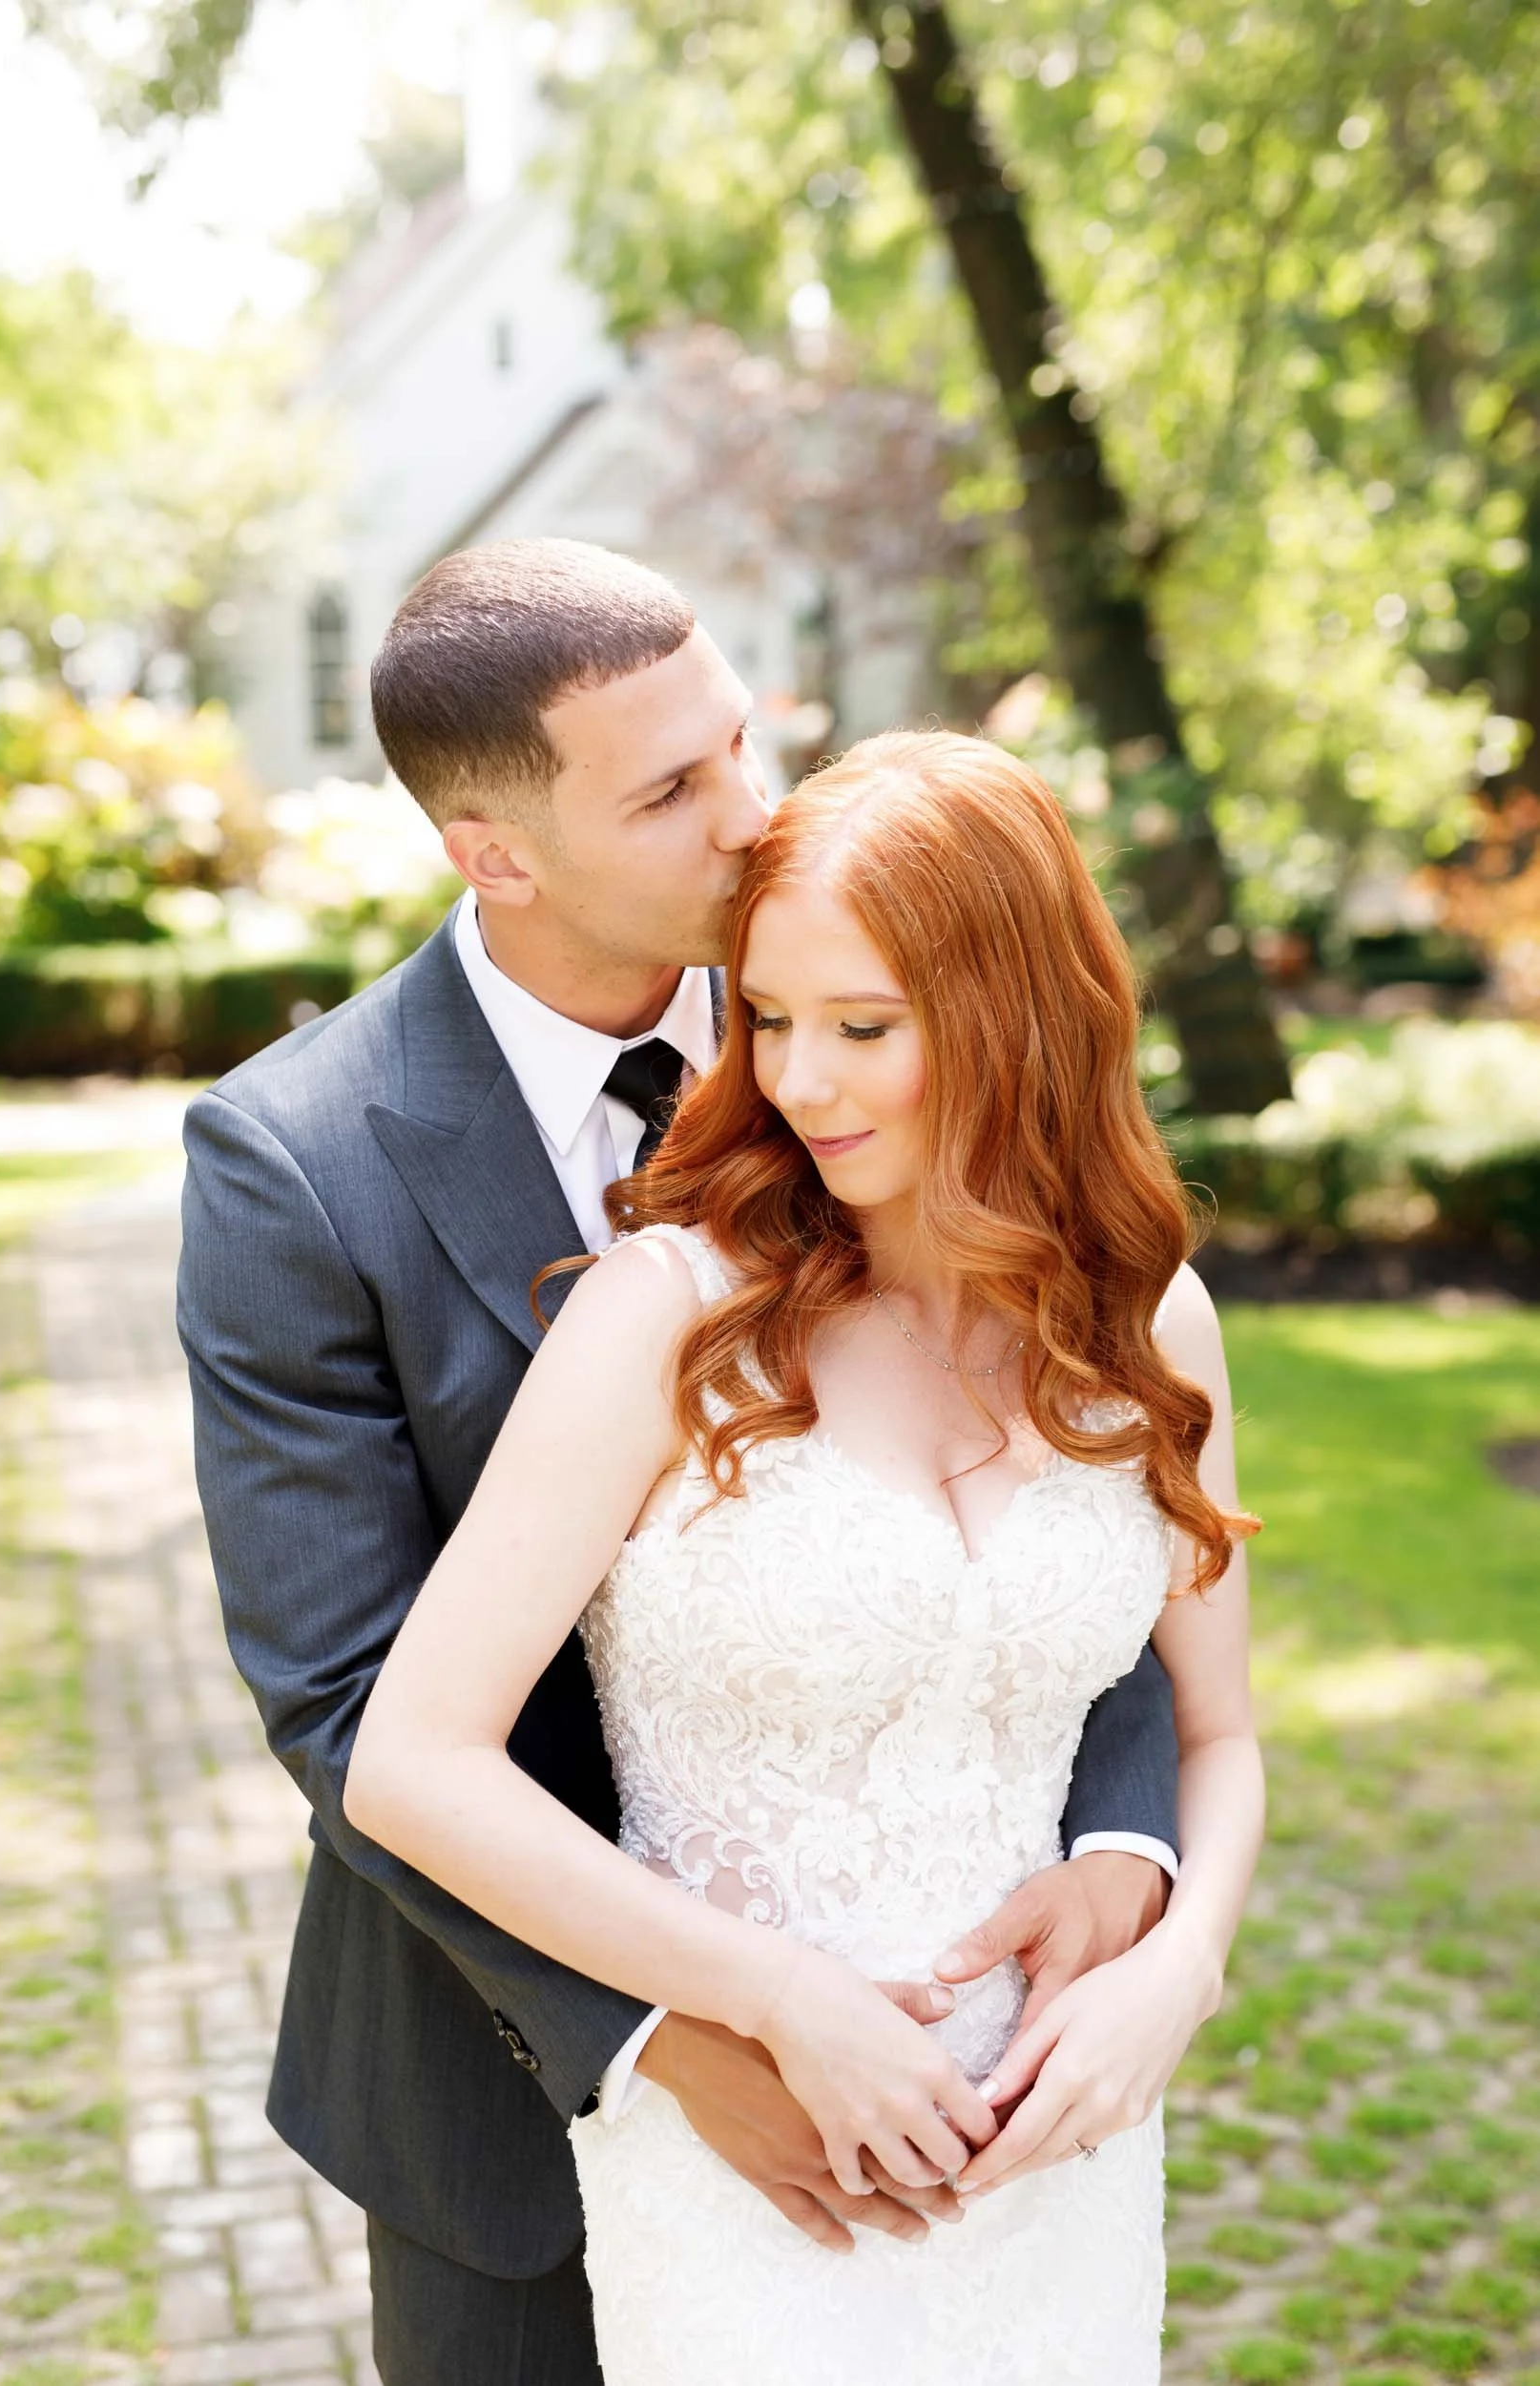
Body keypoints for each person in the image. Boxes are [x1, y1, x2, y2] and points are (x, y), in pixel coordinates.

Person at [178, 540, 1189, 2386]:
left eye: (740, 740)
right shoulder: (295, 1166)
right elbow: (343, 1705)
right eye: (669, 790)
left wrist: (1134, 1853)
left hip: (967, 2078)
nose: (752, 819)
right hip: (505, 2076)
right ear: (498, 849)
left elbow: (1076, 1499)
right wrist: (673, 2032)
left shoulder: (864, 1007)